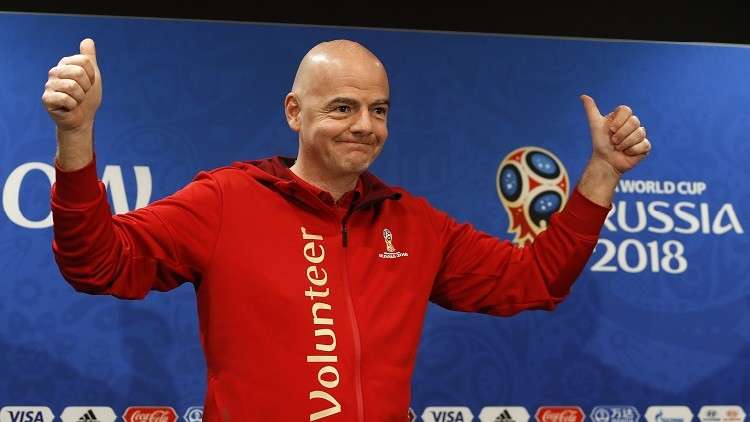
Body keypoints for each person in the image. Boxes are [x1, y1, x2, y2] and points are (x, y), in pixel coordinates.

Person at [43, 38, 651, 421]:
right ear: (294, 111)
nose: (365, 125)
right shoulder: (226, 200)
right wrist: (76, 135)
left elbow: (535, 280)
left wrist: (603, 170)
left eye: (378, 110)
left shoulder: (414, 223)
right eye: (342, 107)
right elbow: (97, 263)